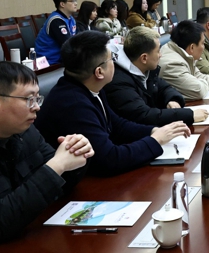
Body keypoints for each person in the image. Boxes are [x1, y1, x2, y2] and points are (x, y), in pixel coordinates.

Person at [35, 31, 191, 176]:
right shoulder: (73, 104)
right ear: (99, 72)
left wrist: (153, 131)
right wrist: (156, 140)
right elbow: (109, 159)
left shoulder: (90, 86)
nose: (115, 63)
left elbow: (117, 125)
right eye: (112, 59)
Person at [0, 62, 94, 250]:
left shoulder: (25, 131)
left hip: (31, 235)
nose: (37, 107)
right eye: (29, 99)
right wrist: (57, 165)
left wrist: (76, 153)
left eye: (38, 99)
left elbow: (60, 184)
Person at [104, 27, 209, 126]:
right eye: (158, 51)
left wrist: (172, 100)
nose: (160, 55)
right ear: (144, 58)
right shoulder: (119, 82)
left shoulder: (145, 68)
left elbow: (164, 88)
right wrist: (189, 115)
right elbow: (144, 115)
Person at [159, 20, 209, 100]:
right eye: (203, 43)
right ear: (192, 47)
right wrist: (206, 83)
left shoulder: (183, 53)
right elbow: (198, 90)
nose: (204, 47)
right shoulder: (173, 64)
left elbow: (198, 75)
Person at [34, 0, 78, 65]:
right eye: (72, 1)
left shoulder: (71, 19)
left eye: (75, 0)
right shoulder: (56, 20)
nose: (76, 3)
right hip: (49, 62)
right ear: (62, 4)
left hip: (61, 60)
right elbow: (68, 44)